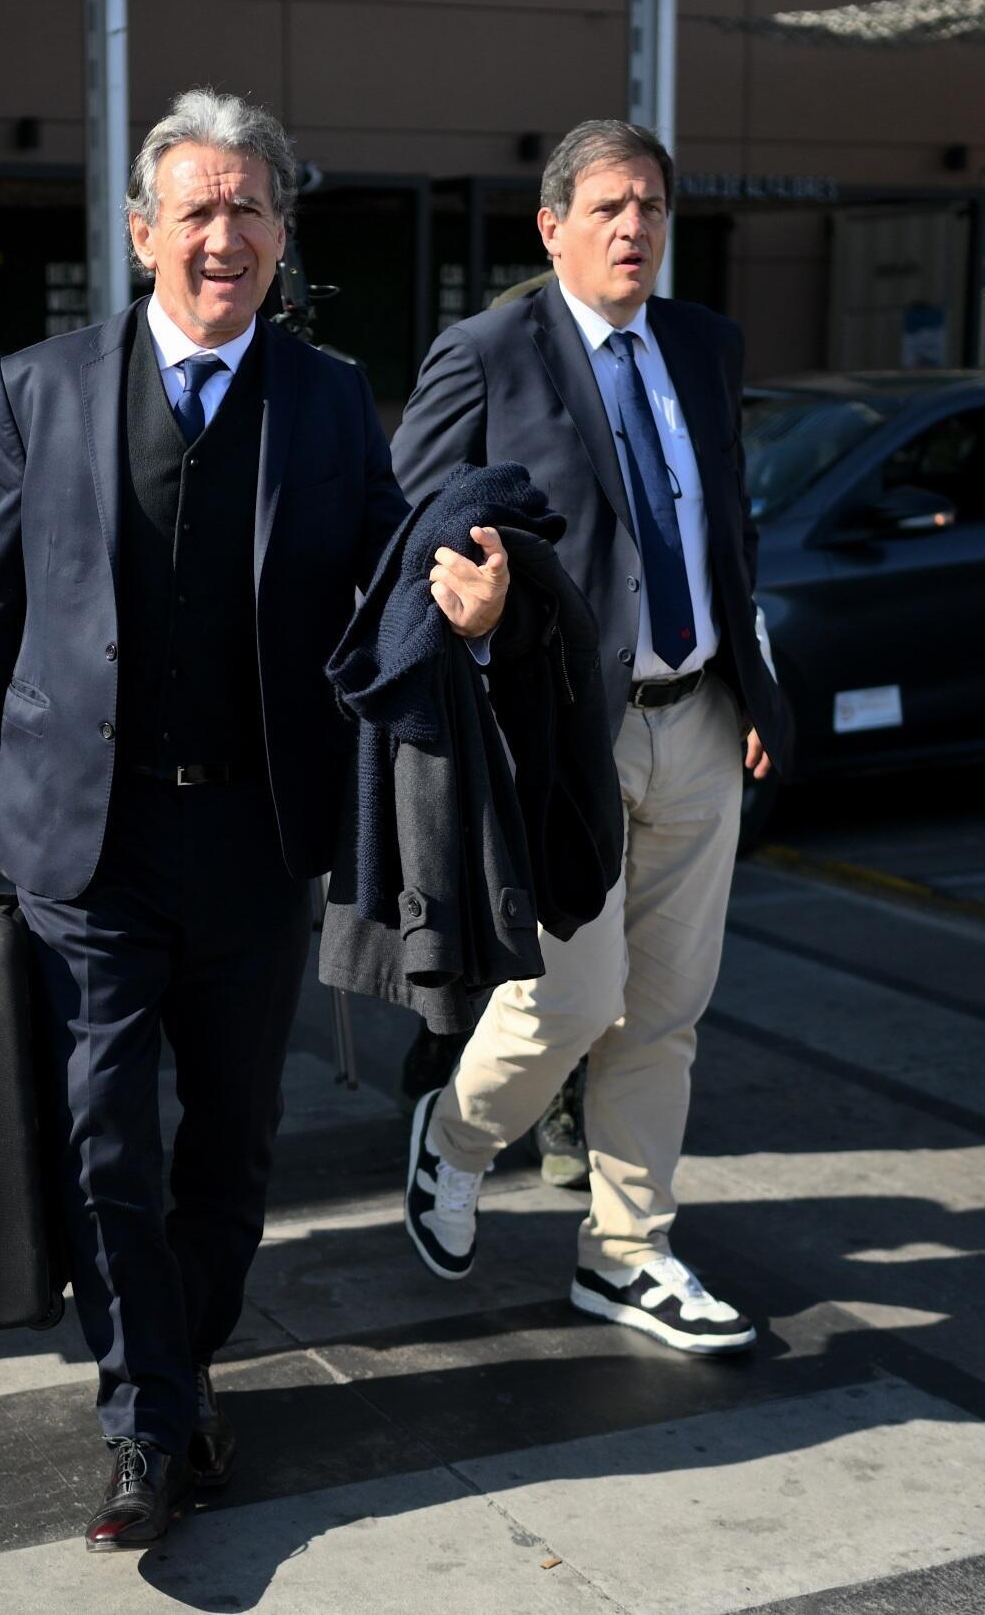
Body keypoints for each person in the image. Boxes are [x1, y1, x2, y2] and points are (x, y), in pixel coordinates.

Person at [0, 88, 506, 1550]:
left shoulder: (322, 393)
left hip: (251, 837)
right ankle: (146, 1420)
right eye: (198, 209)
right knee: (106, 1138)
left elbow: (383, 581)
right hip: (79, 844)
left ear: (280, 232)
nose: (223, 236)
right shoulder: (36, 388)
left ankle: (177, 1370)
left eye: (251, 210)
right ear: (140, 230)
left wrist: (466, 616)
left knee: (233, 1145)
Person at [388, 119, 794, 1352]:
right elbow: (408, 532)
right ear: (550, 224)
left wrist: (755, 683)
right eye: (610, 208)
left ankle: (625, 1254)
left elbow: (726, 530)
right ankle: (452, 1140)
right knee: (573, 997)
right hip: (559, 734)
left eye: (653, 208)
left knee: (664, 1011)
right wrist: (471, 608)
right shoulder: (486, 353)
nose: (634, 229)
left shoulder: (704, 348)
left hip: (701, 718)